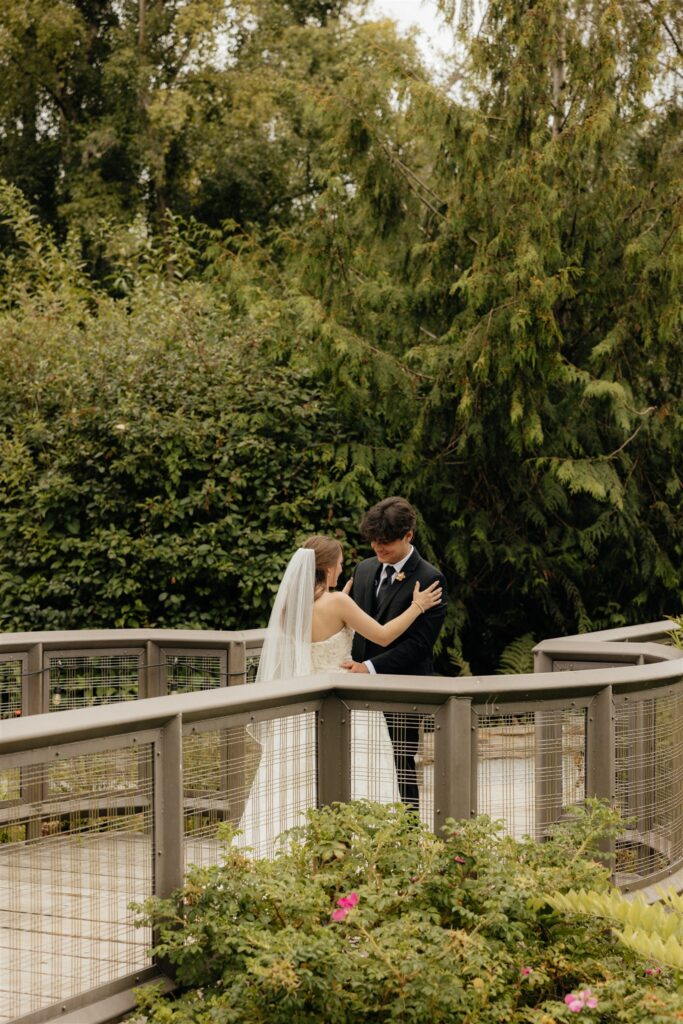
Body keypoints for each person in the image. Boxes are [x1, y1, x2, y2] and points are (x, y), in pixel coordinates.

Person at [239, 534, 442, 853]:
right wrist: (418, 606)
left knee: (296, 783)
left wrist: (341, 602)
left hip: (303, 705)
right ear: (328, 568)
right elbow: (385, 635)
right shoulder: (338, 603)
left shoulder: (292, 606)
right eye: (340, 564)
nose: (342, 568)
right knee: (360, 778)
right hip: (347, 703)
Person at [341, 496, 448, 810]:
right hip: (355, 688)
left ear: (408, 535)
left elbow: (419, 646)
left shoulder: (430, 579)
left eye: (385, 542)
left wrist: (370, 667)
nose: (378, 548)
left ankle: (409, 835)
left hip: (402, 687)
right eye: (374, 541)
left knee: (401, 763)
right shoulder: (364, 569)